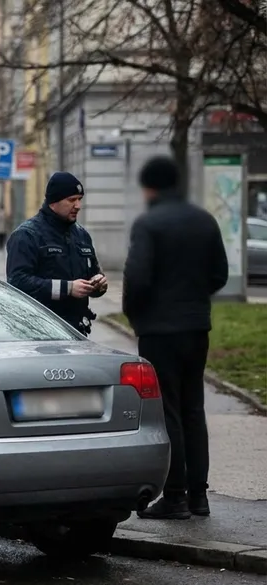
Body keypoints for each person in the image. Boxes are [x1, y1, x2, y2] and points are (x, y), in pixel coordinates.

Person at [124, 156, 229, 520]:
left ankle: (175, 497)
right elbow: (220, 274)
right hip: (196, 327)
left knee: (168, 411)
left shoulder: (149, 224)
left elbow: (137, 280)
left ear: (149, 187)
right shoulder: (205, 220)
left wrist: (136, 315)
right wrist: (194, 298)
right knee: (193, 410)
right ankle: (200, 497)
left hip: (159, 330)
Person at [5, 172, 108, 335]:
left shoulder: (81, 235)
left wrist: (98, 283)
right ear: (54, 202)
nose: (78, 205)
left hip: (77, 331)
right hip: (38, 332)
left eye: (80, 199)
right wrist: (67, 288)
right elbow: (17, 282)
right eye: (72, 200)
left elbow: (93, 273)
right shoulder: (27, 235)